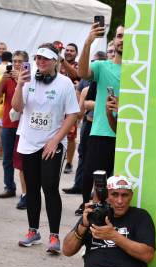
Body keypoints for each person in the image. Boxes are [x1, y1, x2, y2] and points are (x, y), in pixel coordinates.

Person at [12, 43, 79, 254]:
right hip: (29, 143)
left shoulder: (65, 83)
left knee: (49, 188)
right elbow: (16, 108)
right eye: (38, 58)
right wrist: (19, 85)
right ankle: (33, 231)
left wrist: (56, 140)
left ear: (55, 62)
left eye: (45, 59)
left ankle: (54, 235)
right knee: (31, 189)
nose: (40, 62)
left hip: (53, 144)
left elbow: (72, 115)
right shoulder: (28, 80)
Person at [63, 176, 156, 267]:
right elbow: (67, 251)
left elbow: (147, 255)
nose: (120, 201)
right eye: (115, 195)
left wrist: (114, 236)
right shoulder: (95, 214)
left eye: (124, 195)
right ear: (106, 196)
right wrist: (82, 227)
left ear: (131, 196)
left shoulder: (140, 216)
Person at [76, 24, 124, 214]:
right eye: (120, 36)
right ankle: (95, 218)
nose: (123, 40)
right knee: (97, 181)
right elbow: (81, 73)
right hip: (102, 133)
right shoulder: (102, 66)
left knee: (122, 184)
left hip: (131, 135)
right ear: (114, 40)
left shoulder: (142, 72)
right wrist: (88, 41)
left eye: (128, 36)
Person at [62, 51, 107, 196]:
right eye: (92, 62)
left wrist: (93, 103)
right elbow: (82, 105)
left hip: (103, 125)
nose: (93, 66)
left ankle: (96, 194)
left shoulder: (104, 79)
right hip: (88, 123)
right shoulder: (86, 81)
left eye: (97, 63)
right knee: (82, 155)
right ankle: (79, 185)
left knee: (99, 161)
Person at [0, 50, 29, 205]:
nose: (16, 64)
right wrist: (3, 80)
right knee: (7, 158)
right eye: (14, 61)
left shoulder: (30, 78)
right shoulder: (6, 78)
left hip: (25, 125)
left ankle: (26, 192)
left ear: (26, 63)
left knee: (23, 161)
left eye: (20, 61)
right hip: (8, 123)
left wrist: (20, 81)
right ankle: (9, 186)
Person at [60, 43, 80, 174]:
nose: (68, 52)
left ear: (76, 53)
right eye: (66, 50)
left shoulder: (78, 65)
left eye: (71, 51)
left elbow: (76, 75)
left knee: (70, 136)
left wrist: (62, 62)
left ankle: (69, 162)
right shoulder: (56, 64)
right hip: (56, 103)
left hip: (71, 106)